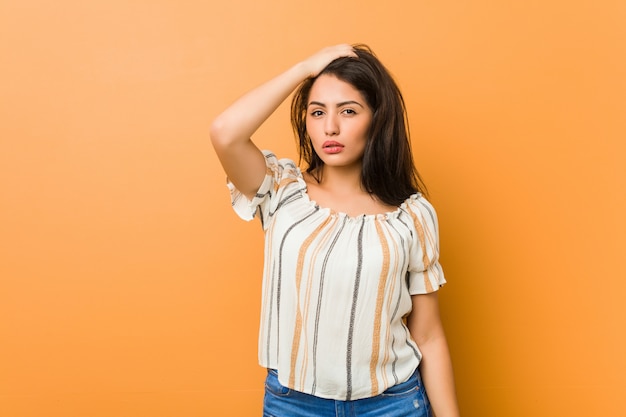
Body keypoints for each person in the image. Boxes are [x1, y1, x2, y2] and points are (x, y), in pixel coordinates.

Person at [210, 44, 460, 417]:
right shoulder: (282, 191)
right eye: (317, 112)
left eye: (348, 111)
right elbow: (225, 133)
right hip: (293, 404)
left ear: (377, 119)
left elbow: (428, 335)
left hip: (393, 405)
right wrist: (303, 68)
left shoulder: (412, 215)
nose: (330, 127)